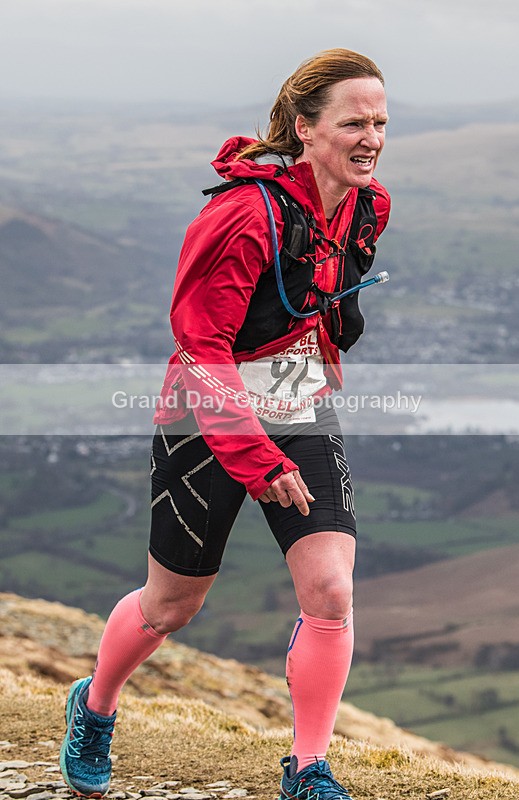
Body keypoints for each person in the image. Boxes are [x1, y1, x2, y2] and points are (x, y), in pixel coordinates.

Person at [60, 48, 390, 800]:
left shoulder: (370, 207)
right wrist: (255, 457)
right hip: (205, 413)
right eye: (352, 122)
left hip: (297, 398)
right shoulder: (241, 215)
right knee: (170, 605)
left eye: (379, 122)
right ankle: (96, 705)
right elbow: (200, 345)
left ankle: (308, 770)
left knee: (331, 591)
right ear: (304, 128)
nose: (369, 137)